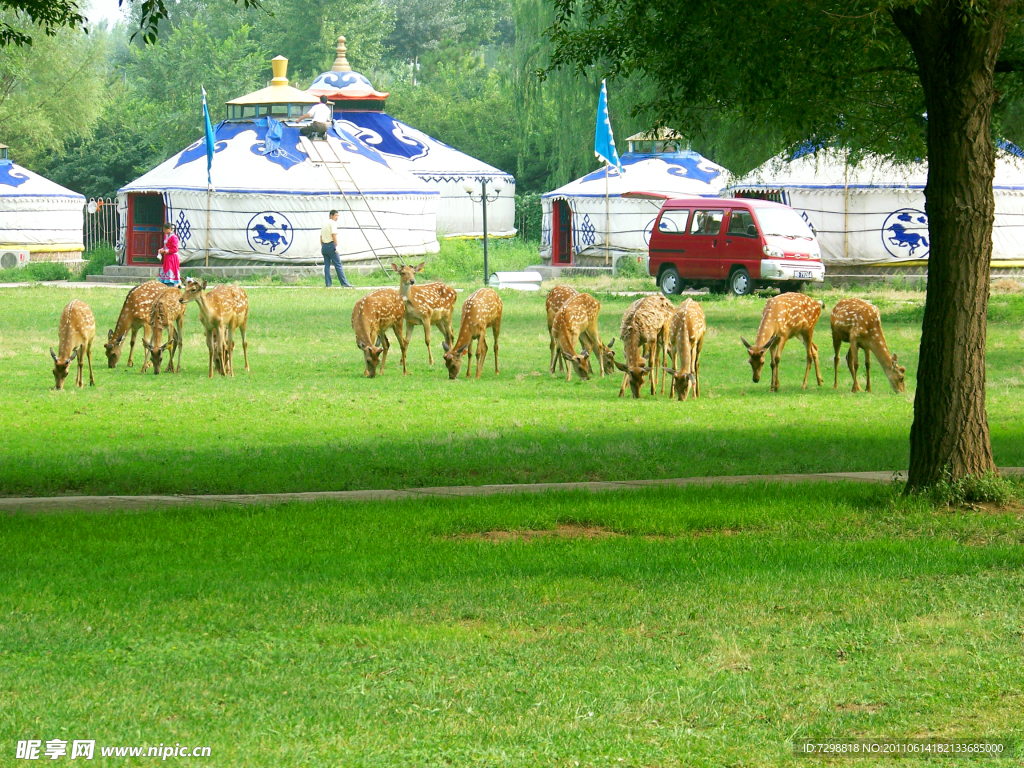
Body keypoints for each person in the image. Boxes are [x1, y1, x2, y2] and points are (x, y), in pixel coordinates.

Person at [321, 210, 352, 287]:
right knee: (338, 265)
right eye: (336, 216)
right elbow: (334, 234)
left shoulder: (324, 223)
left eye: (338, 216)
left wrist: (323, 245)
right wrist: (337, 246)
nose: (337, 217)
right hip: (331, 245)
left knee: (327, 266)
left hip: (324, 246)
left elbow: (321, 236)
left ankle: (328, 284)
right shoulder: (333, 223)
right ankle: (344, 283)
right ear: (331, 215)